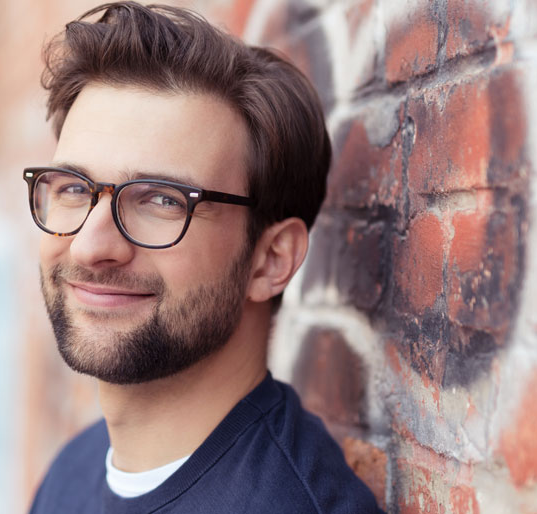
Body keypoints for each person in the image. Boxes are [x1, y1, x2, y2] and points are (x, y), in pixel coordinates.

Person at [25, 2, 384, 512]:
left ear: (270, 260)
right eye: (72, 188)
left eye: (162, 200)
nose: (90, 245)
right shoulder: (72, 472)